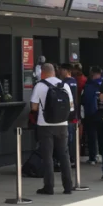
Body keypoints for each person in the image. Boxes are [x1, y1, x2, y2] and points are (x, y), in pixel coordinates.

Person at [29, 63, 74, 195]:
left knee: (47, 156)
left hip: (45, 125)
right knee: (64, 155)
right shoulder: (64, 85)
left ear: (42, 72)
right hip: (62, 125)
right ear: (54, 72)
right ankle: (68, 186)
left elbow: (34, 108)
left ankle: (49, 187)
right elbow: (71, 107)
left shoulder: (40, 85)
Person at [82, 66, 103, 165]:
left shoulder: (88, 85)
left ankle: (92, 157)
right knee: (102, 136)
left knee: (91, 137)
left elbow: (84, 99)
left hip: (90, 114)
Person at [59, 64, 81, 165]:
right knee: (72, 138)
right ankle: (73, 158)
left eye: (61, 70)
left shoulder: (64, 83)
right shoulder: (74, 82)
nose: (59, 72)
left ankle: (69, 159)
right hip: (74, 113)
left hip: (67, 114)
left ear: (66, 70)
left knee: (68, 138)